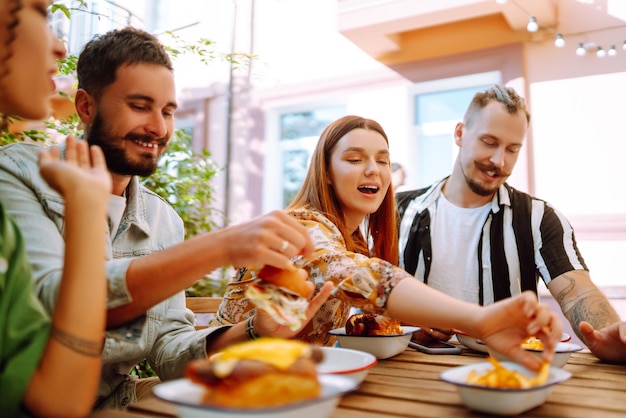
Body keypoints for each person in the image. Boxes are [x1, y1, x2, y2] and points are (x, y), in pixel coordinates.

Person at [0, 26, 333, 411]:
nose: (159, 128)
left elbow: (171, 350)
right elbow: (57, 304)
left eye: (168, 111)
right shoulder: (18, 174)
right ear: (86, 106)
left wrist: (256, 331)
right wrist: (218, 247)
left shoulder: (163, 219)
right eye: (140, 106)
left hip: (121, 399)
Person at [211, 115, 563, 372]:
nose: (374, 170)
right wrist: (480, 320)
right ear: (326, 174)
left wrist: (413, 323)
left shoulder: (353, 240)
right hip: (225, 383)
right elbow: (350, 274)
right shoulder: (304, 226)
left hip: (289, 382)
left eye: (383, 160)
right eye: (354, 159)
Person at [396, 84, 626, 363]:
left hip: (505, 374)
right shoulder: (398, 210)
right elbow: (366, 292)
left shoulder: (538, 217)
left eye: (513, 149)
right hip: (405, 369)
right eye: (489, 142)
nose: (499, 161)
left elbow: (577, 293)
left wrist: (608, 331)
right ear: (459, 133)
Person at [0, 1, 110, 416]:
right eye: (39, 12)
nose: (61, 48)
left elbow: (57, 400)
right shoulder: (14, 174)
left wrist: (85, 206)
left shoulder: (4, 233)